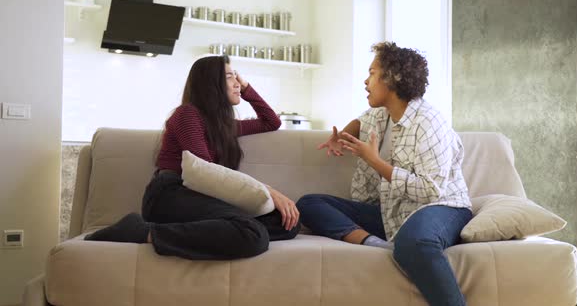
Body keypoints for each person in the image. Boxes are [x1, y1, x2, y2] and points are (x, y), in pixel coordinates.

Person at [296, 42, 472, 306]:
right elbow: (361, 122)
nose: (365, 81)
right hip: (395, 211)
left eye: (372, 73)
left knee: (416, 243)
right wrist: (341, 135)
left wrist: (375, 161)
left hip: (442, 207)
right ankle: (377, 245)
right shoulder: (381, 114)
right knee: (309, 204)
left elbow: (430, 190)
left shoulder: (429, 122)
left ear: (392, 78)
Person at [85, 55, 301, 260]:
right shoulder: (187, 115)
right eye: (229, 76)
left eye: (237, 76)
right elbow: (202, 172)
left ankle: (218, 231)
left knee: (287, 222)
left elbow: (271, 122)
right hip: (170, 194)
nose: (237, 82)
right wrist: (269, 192)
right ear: (210, 83)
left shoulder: (225, 127)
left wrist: (246, 89)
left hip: (205, 195)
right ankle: (143, 231)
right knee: (252, 235)